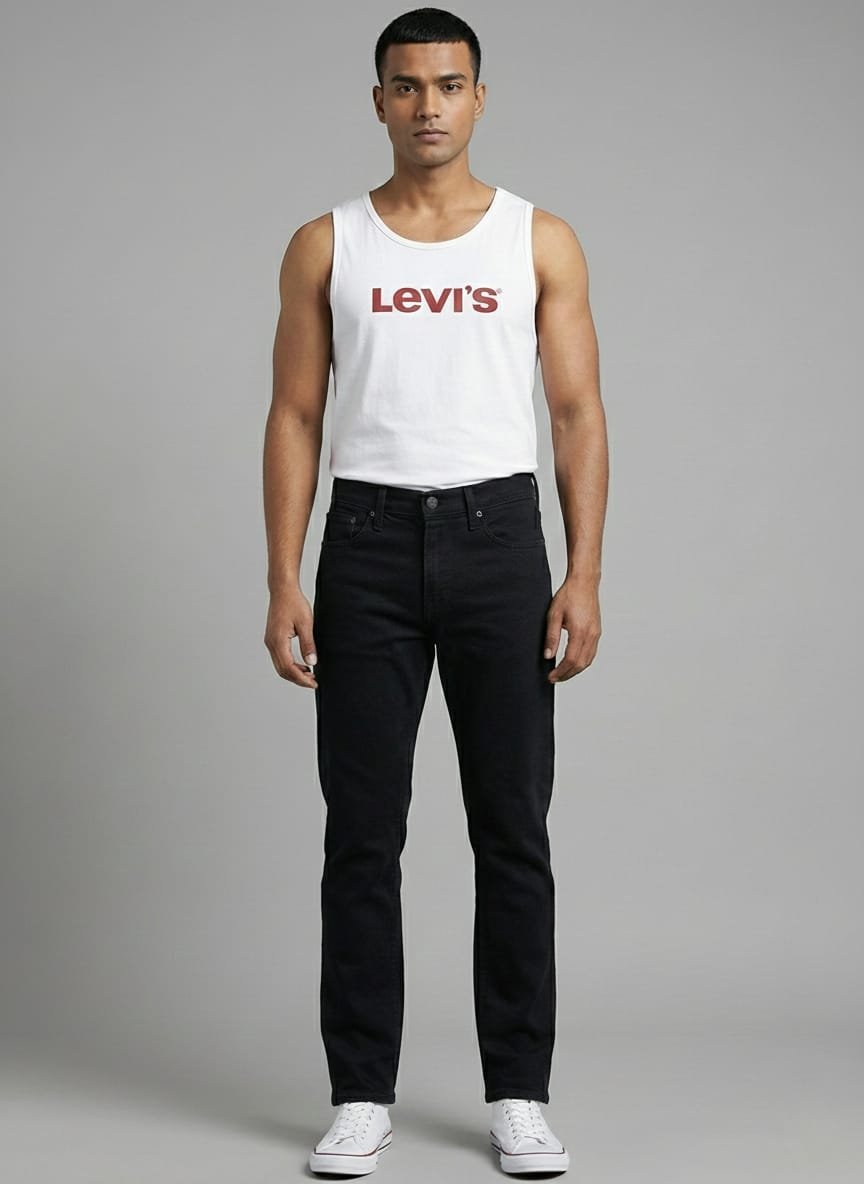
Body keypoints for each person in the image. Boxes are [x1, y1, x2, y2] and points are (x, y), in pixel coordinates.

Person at [262, 7, 607, 1176]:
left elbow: (577, 413)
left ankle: (519, 1092)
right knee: (362, 835)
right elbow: (295, 415)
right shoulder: (328, 244)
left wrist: (583, 571)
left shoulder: (538, 239)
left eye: (448, 84)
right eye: (406, 86)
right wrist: (283, 576)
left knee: (512, 829)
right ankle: (361, 1092)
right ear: (379, 101)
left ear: (479, 98)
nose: (427, 105)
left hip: (499, 538)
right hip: (363, 544)